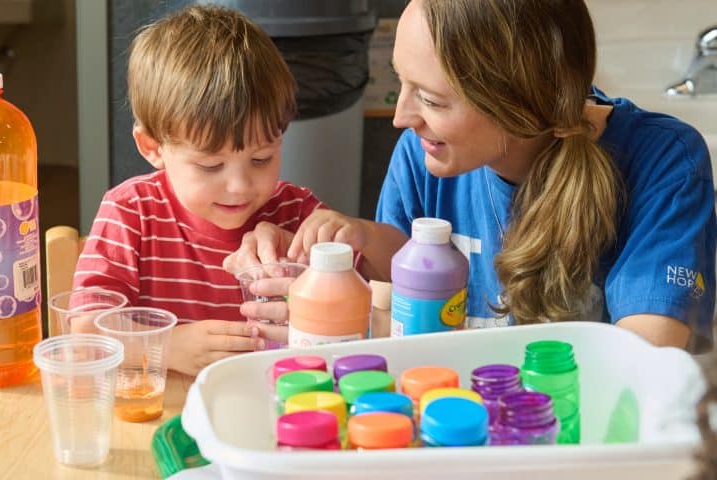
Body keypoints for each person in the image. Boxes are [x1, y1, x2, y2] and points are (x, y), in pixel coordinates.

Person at [224, 0, 716, 349]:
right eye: (400, 83)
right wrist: (323, 306)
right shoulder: (422, 157)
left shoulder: (663, 161)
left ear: (515, 103)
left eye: (432, 100)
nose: (401, 117)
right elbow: (395, 329)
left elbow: (645, 360)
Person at [73, 5, 324, 376]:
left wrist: (335, 242)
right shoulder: (131, 212)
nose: (239, 186)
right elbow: (84, 330)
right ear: (153, 148)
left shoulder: (298, 213)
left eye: (261, 159)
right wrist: (167, 346)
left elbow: (364, 306)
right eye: (210, 166)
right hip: (166, 408)